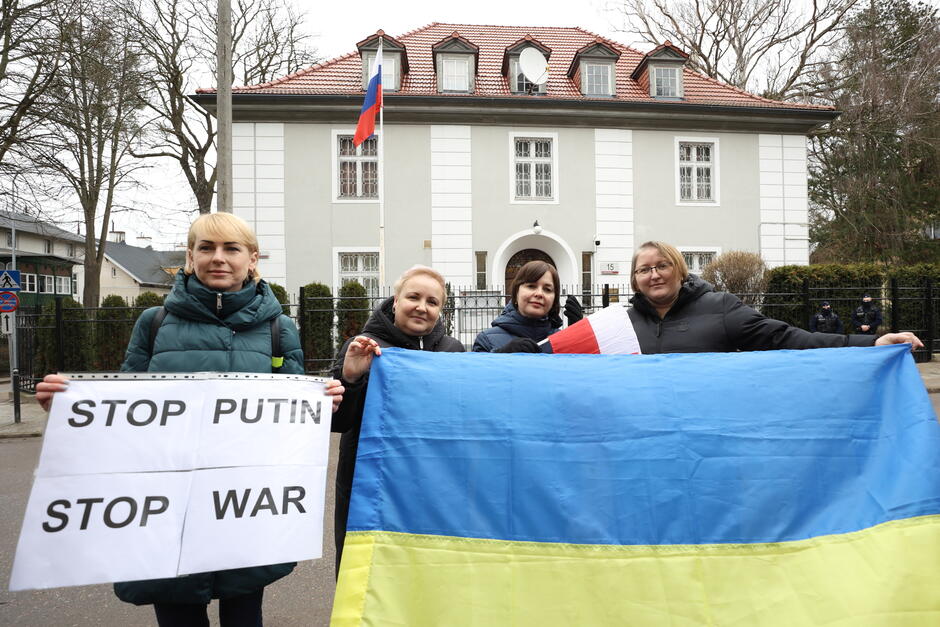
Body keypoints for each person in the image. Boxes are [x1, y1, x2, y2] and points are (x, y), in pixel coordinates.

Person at [36, 213, 343, 627]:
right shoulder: (155, 323)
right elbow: (126, 408)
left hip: (244, 503)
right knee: (178, 610)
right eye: (206, 248)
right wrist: (70, 408)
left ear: (252, 260)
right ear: (189, 256)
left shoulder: (278, 329)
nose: (218, 258)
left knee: (244, 613)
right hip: (169, 503)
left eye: (231, 249)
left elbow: (288, 420)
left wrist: (321, 403)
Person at [331, 265, 464, 572]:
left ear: (440, 311)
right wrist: (350, 377)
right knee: (368, 571)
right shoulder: (363, 346)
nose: (422, 307)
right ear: (395, 301)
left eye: (432, 302)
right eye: (413, 297)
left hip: (432, 483)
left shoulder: (453, 351)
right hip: (371, 485)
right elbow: (339, 422)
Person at [625, 241, 920, 354]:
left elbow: (787, 338)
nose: (654, 275)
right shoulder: (620, 324)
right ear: (635, 281)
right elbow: (579, 356)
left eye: (663, 265)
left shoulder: (721, 307)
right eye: (645, 269)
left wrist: (873, 342)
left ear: (680, 271)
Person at [473, 260, 582, 352]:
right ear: (516, 293)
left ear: (554, 299)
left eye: (547, 289)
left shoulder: (561, 341)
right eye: (531, 286)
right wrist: (502, 355)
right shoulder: (486, 340)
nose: (539, 293)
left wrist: (578, 338)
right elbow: (475, 375)